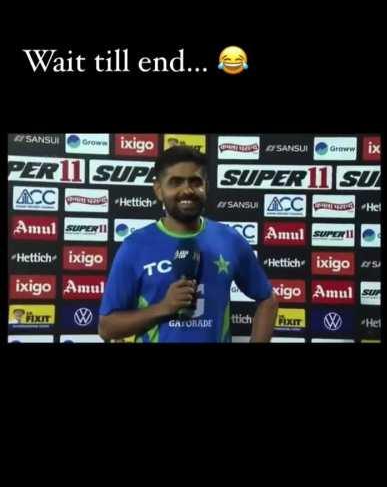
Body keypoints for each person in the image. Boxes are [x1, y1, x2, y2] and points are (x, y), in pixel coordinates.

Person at [98, 146, 278, 343]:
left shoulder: (230, 239)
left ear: (206, 187)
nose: (187, 190)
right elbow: (107, 328)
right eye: (175, 182)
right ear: (158, 190)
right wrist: (164, 307)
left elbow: (267, 300)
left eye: (195, 182)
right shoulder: (135, 246)